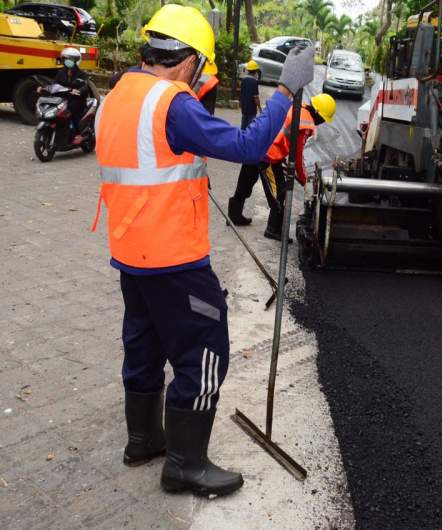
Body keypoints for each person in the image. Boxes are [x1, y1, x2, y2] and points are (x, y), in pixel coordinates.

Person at [92, 4, 313, 496]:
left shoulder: (119, 94)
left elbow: (149, 156)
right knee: (205, 349)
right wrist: (285, 91)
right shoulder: (172, 103)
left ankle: (143, 440)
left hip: (131, 254)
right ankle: (186, 466)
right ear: (188, 60)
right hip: (176, 260)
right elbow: (249, 146)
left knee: (144, 345)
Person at [227, 93, 336, 239]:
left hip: (254, 142)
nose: (320, 123)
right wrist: (305, 181)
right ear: (318, 114)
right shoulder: (304, 122)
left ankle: (233, 215)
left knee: (246, 181)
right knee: (280, 191)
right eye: (322, 119)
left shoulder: (297, 107)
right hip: (269, 155)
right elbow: (297, 157)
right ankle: (273, 229)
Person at [44, 48, 90, 143]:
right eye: (65, 59)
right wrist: (44, 88)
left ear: (76, 61)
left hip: (77, 99)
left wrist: (79, 91)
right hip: (63, 98)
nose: (67, 61)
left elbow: (85, 86)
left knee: (71, 111)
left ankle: (78, 134)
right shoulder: (61, 72)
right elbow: (54, 84)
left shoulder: (82, 74)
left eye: (70, 59)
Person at [240, 60, 261, 129]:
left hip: (244, 107)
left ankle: (240, 138)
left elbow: (242, 94)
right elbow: (256, 98)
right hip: (251, 109)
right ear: (255, 71)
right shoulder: (254, 82)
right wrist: (260, 108)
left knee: (243, 126)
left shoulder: (243, 80)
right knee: (250, 128)